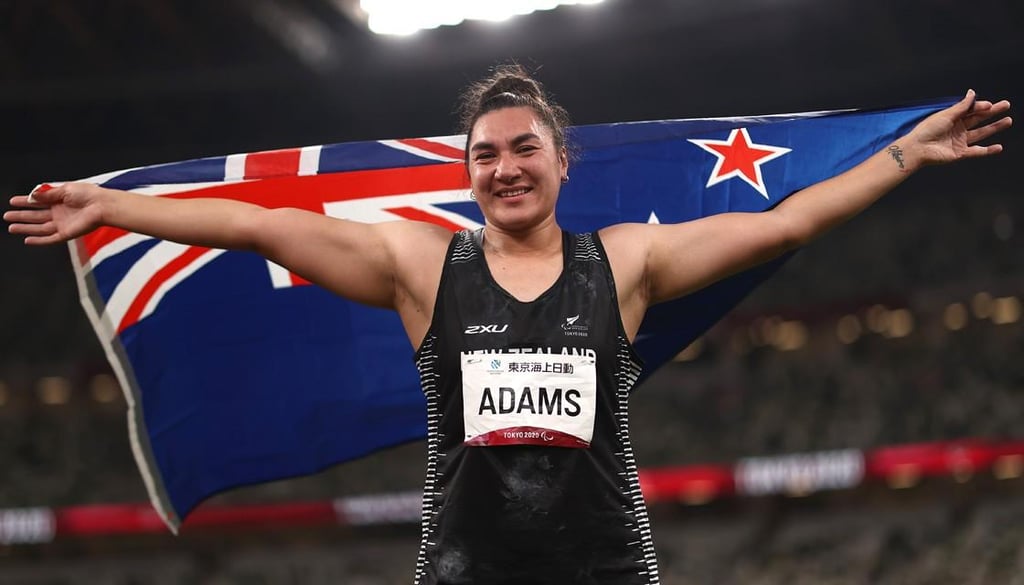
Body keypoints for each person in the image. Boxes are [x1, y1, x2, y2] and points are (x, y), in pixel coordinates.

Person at [4, 64, 1012, 584]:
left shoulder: (627, 261)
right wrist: (113, 207)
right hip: (465, 569)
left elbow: (784, 222)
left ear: (561, 162)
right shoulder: (419, 265)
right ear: (469, 174)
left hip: (606, 567)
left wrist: (904, 154)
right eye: (484, 155)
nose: (505, 167)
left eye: (524, 148)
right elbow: (259, 225)